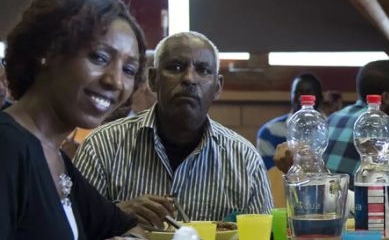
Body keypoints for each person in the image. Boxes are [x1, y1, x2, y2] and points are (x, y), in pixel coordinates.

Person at [0, 0, 157, 240]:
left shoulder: (53, 156)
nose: (116, 81)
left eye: (129, 69)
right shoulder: (8, 148)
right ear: (47, 52)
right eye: (100, 57)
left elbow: (126, 229)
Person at [74, 31, 274, 229]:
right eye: (176, 67)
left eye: (203, 70)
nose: (189, 78)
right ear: (153, 79)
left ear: (217, 87)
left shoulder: (245, 160)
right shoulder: (102, 146)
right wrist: (116, 215)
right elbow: (71, 237)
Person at [256, 72, 325, 170]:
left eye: (309, 92)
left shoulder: (333, 129)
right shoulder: (269, 132)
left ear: (320, 98)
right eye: (298, 92)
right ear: (291, 96)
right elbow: (269, 176)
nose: (302, 98)